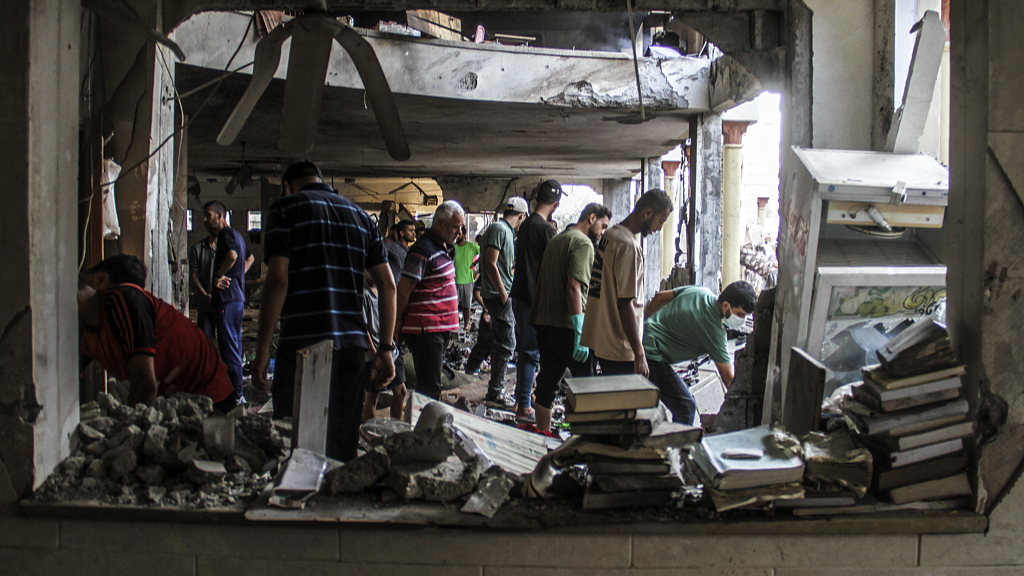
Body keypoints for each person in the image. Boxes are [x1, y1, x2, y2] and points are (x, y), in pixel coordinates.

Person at [252, 161, 396, 462]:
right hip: (351, 352)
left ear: (286, 186)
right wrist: (385, 348)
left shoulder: (284, 209)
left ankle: (298, 504)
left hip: (304, 347)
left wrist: (263, 349)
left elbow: (278, 280)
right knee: (342, 447)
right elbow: (388, 286)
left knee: (297, 446)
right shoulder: (361, 218)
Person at [78, 254, 238, 411]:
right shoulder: (89, 331)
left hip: (211, 396)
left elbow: (145, 386)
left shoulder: (124, 299)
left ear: (100, 281)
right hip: (183, 397)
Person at [529, 203, 613, 432]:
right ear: (592, 218)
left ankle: (543, 436)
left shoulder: (557, 239)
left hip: (544, 324)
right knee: (585, 388)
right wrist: (580, 330)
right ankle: (581, 443)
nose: (603, 232)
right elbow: (574, 288)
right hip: (568, 326)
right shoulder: (583, 243)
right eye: (603, 226)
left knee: (546, 384)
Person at [581, 189, 674, 378]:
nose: (659, 228)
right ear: (648, 213)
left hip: (602, 340)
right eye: (661, 221)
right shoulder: (628, 246)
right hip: (620, 347)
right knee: (623, 404)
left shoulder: (611, 235)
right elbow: (625, 303)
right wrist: (639, 353)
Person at [642, 281, 757, 425]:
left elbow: (659, 298)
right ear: (726, 305)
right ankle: (678, 445)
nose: (742, 320)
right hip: (651, 355)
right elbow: (728, 378)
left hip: (641, 342)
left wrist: (642, 328)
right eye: (740, 314)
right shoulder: (714, 331)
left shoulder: (702, 291)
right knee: (686, 408)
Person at [395, 200, 465, 400]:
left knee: (433, 384)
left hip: (438, 328)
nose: (459, 233)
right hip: (427, 330)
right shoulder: (422, 250)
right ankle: (425, 429)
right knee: (430, 388)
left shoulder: (443, 248)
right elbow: (404, 290)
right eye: (455, 227)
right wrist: (397, 325)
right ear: (440, 224)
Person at [509, 180, 562, 420]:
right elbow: (555, 267)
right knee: (531, 354)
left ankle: (521, 401)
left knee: (523, 352)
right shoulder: (547, 230)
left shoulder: (526, 224)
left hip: (518, 296)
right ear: (556, 204)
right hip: (534, 300)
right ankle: (524, 406)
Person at [478, 196, 529, 408]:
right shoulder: (501, 229)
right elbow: (490, 262)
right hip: (499, 296)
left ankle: (495, 390)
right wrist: (503, 291)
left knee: (503, 343)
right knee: (508, 344)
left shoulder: (502, 230)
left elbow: (499, 263)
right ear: (521, 216)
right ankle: (495, 393)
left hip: (499, 293)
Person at [202, 200, 254, 405]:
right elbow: (249, 259)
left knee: (229, 347)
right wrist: (235, 275)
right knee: (235, 345)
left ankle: (236, 395)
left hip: (227, 300)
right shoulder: (238, 236)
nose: (205, 220)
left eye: (208, 215)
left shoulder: (226, 235)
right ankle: (236, 391)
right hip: (236, 299)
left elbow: (232, 256)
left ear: (220, 216)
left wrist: (219, 274)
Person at [361, 269, 407, 421]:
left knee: (400, 391)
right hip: (373, 353)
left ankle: (395, 429)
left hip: (390, 349)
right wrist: (375, 355)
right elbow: (363, 330)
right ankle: (370, 436)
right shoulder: (363, 294)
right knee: (372, 398)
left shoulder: (385, 289)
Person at [187, 227, 218, 342]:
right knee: (204, 342)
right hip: (205, 304)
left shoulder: (227, 249)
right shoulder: (197, 248)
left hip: (223, 304)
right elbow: (193, 275)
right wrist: (204, 294)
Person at [463, 274, 494, 374]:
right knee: (482, 348)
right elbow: (477, 291)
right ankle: (469, 372)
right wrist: (487, 308)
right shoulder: (491, 271)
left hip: (507, 319)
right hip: (490, 319)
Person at [453, 225, 480, 330]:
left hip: (468, 281)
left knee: (466, 306)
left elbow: (485, 254)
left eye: (459, 234)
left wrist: (475, 264)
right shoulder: (453, 248)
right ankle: (454, 325)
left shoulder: (472, 247)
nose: (457, 236)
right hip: (454, 281)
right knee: (453, 306)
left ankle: (466, 325)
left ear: (464, 235)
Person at [384, 220, 416, 285]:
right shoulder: (391, 247)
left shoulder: (411, 250)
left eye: (414, 230)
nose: (414, 233)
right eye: (410, 230)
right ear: (402, 233)